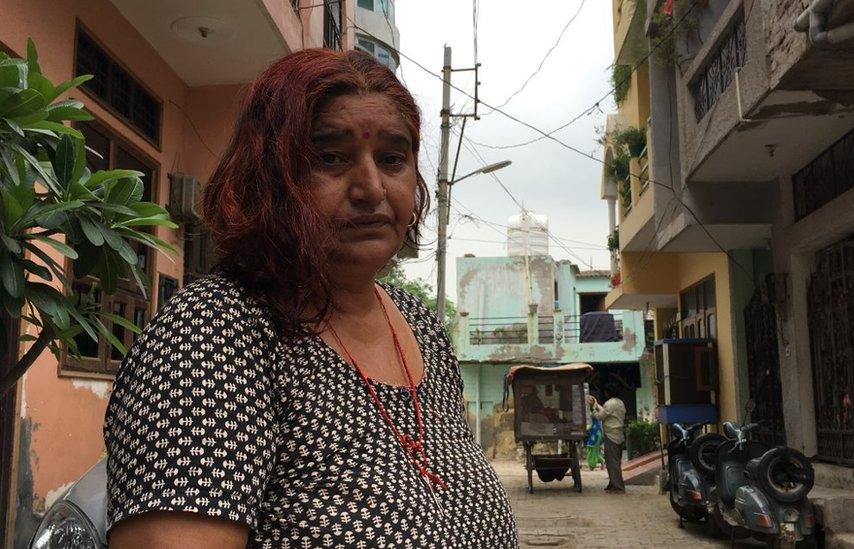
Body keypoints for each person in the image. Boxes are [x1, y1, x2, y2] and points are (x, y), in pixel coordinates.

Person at [103, 49, 518, 548]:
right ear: (268, 178)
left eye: (392, 158)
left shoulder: (417, 323)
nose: (371, 187)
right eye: (328, 158)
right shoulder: (214, 332)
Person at [588, 389, 627, 492]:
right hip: (619, 434)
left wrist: (593, 408)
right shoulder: (620, 402)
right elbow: (606, 412)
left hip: (611, 435)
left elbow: (600, 416)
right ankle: (613, 483)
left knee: (611, 462)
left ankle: (618, 486)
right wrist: (596, 405)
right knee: (615, 462)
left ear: (607, 393)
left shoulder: (609, 404)